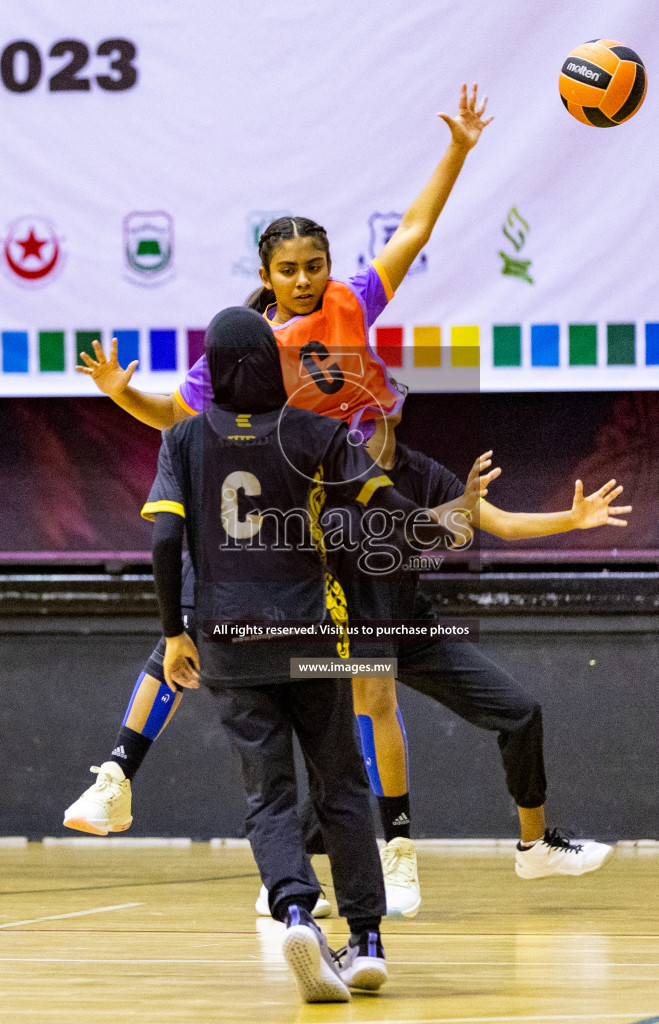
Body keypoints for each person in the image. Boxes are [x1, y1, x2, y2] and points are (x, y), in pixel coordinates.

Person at [65, 85, 493, 911]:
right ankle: (121, 773)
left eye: (313, 266)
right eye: (288, 270)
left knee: (358, 687)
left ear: (328, 268)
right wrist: (122, 392)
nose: (303, 280)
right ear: (263, 276)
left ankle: (379, 850)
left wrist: (458, 151)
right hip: (289, 523)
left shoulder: (352, 302)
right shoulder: (247, 349)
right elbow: (171, 415)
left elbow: (412, 233)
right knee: (209, 632)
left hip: (356, 509)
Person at [141, 306, 474, 1001]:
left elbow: (166, 542)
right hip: (313, 637)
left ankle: (295, 909)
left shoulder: (184, 442)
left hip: (228, 640)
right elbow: (386, 504)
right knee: (342, 784)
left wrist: (175, 632)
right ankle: (369, 939)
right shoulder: (316, 432)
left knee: (269, 793)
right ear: (274, 361)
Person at [295, 398, 631, 914]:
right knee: (359, 751)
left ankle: (535, 848)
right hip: (348, 624)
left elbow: (500, 522)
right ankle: (311, 866)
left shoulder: (417, 470)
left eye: (378, 408)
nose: (364, 420)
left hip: (409, 620)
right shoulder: (316, 471)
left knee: (519, 713)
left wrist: (572, 518)